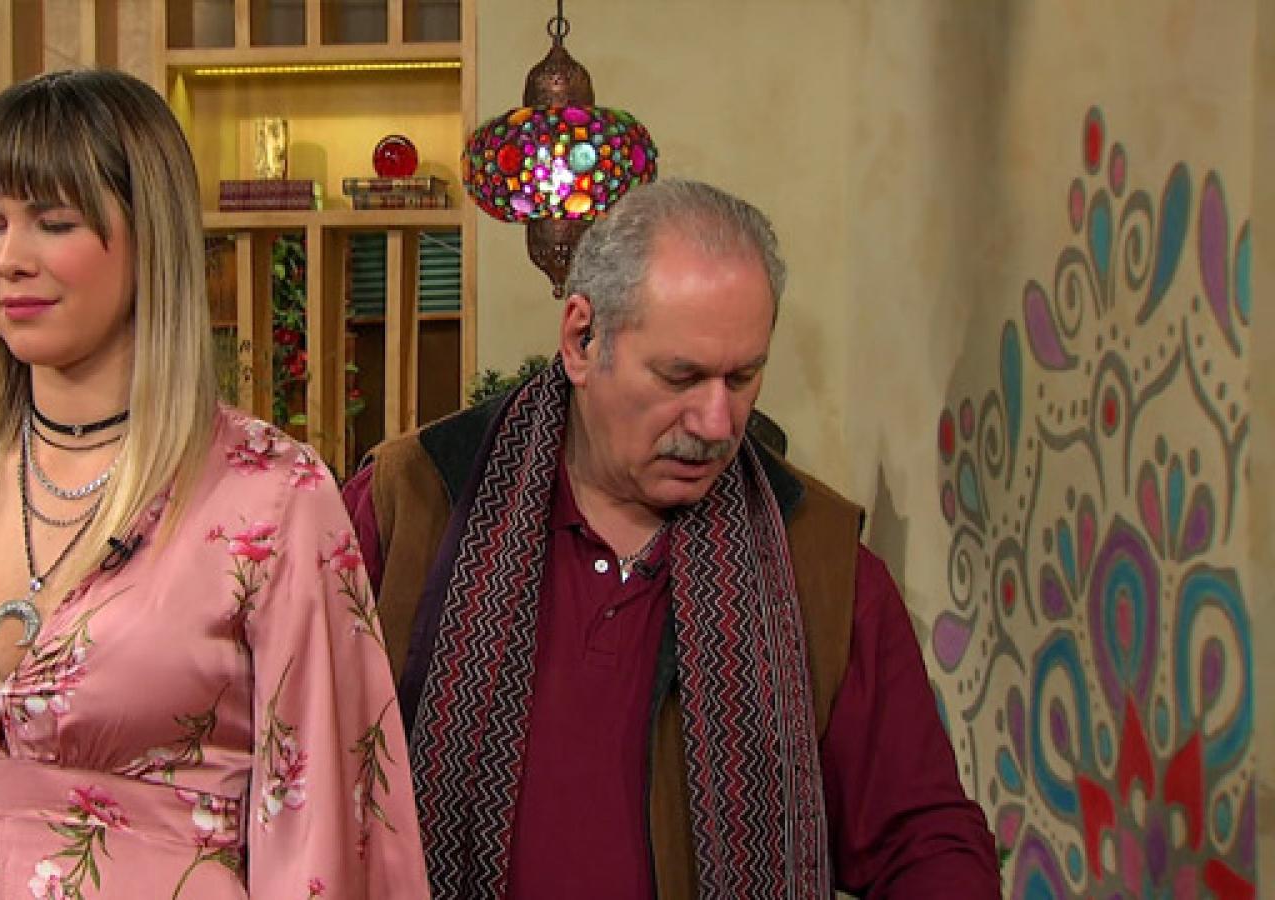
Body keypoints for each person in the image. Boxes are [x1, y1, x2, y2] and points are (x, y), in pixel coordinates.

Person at [0, 69, 427, 899]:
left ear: (150, 238)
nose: (9, 261)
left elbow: (321, 820)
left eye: (54, 222)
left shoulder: (269, 496)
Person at [342, 179, 999, 898]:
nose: (717, 423)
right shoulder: (413, 505)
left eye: (742, 377)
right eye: (680, 376)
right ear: (582, 339)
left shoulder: (818, 559)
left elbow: (922, 839)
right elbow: (282, 774)